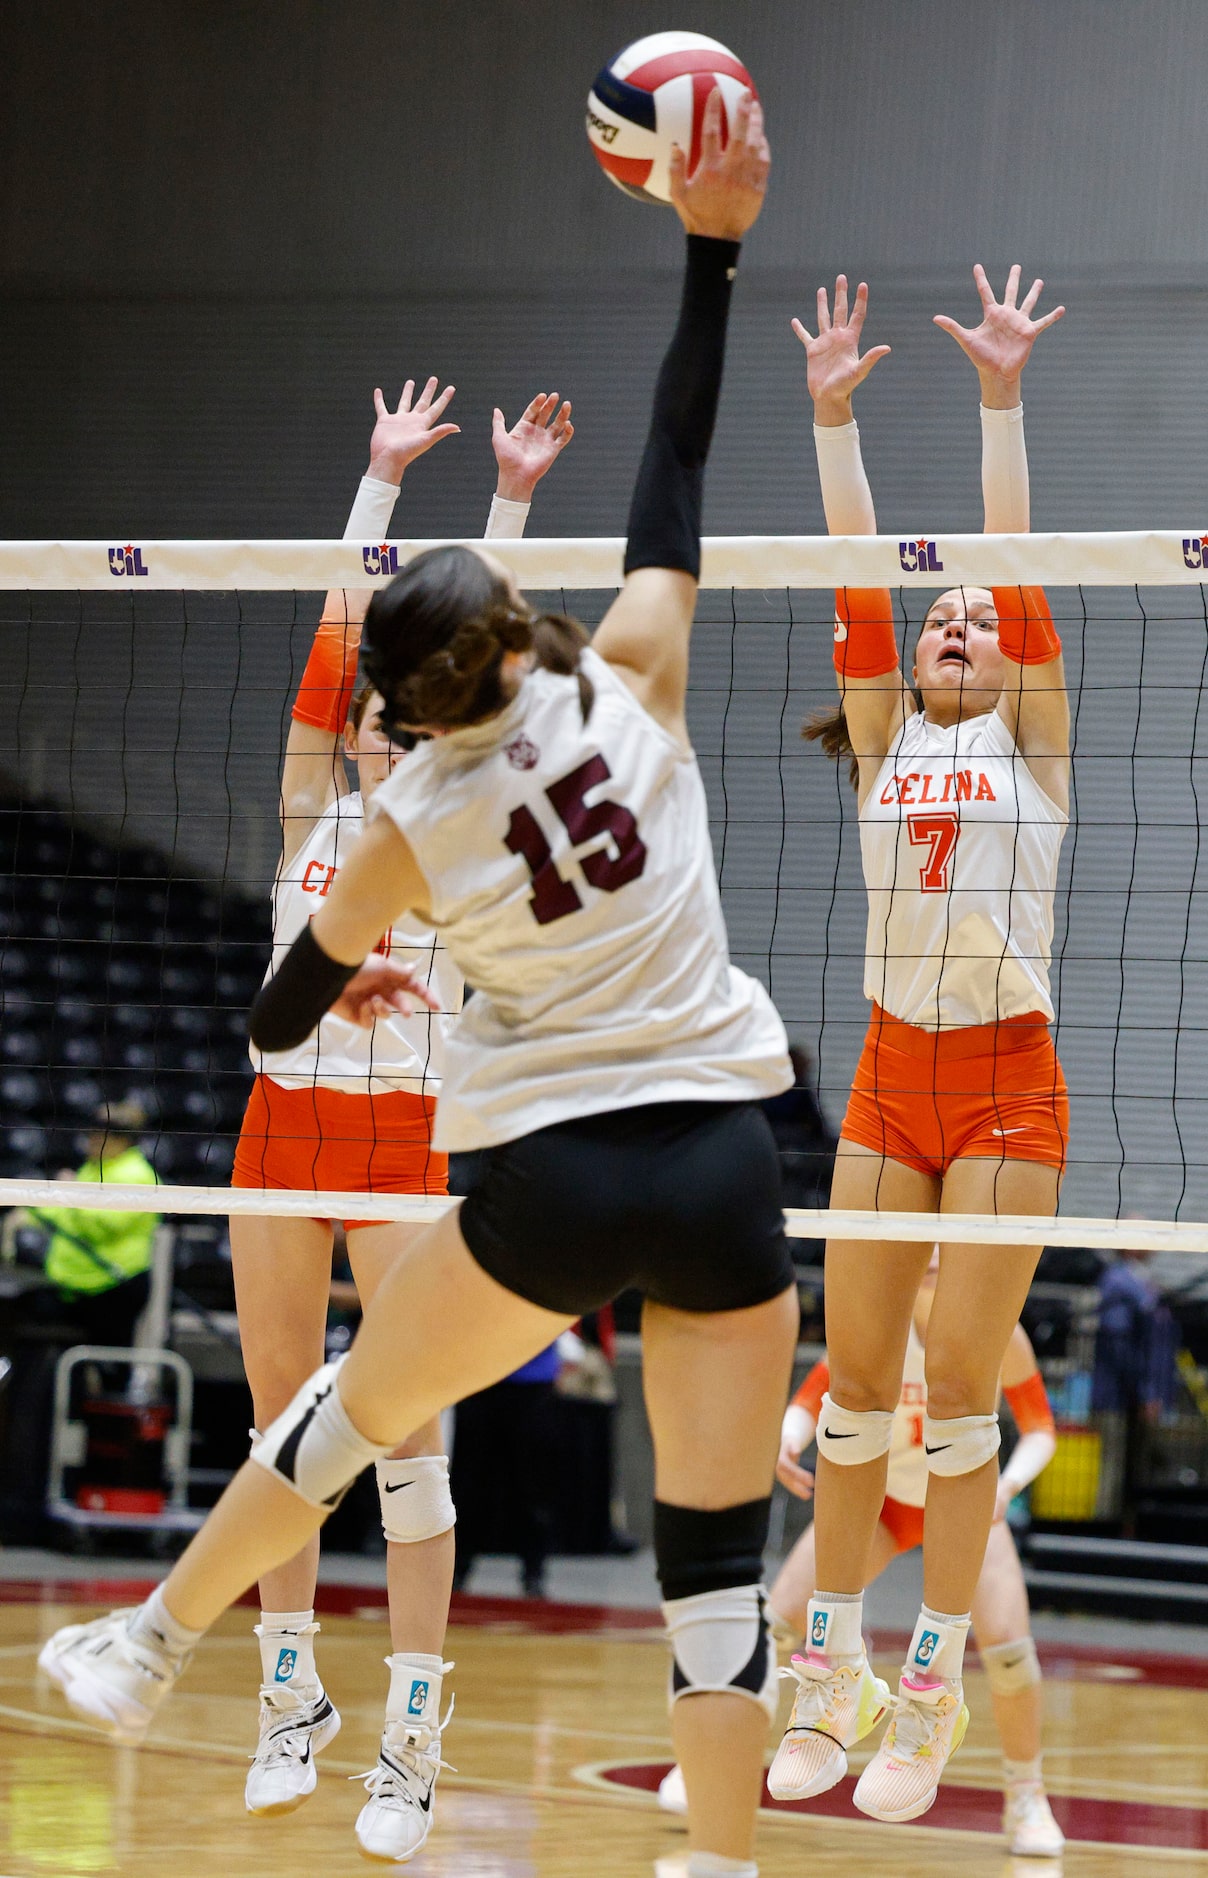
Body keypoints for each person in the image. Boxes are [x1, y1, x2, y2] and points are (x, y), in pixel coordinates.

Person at [41, 92, 799, 1878]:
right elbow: (674, 465)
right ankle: (715, 1856)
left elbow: (282, 1009)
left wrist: (382, 953)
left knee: (352, 1417)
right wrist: (710, 247)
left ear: (405, 701)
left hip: (548, 1173)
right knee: (708, 1570)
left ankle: (157, 1636)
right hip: (718, 1162)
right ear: (515, 631)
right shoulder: (629, 671)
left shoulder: (403, 814)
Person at [227, 379, 572, 1860]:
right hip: (278, 1134)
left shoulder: (459, 819)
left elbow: (490, 660)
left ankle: (413, 1739)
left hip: (399, 1149)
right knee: (281, 1432)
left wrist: (509, 505)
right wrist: (374, 483)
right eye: (363, 713)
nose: (370, 726)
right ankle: (289, 1696)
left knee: (410, 1454)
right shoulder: (317, 806)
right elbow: (332, 637)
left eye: (396, 713)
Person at [769, 265, 1070, 1823]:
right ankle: (830, 1671)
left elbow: (1010, 561)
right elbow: (854, 581)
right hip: (893, 1072)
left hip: (1011, 1082)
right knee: (851, 1394)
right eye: (935, 617)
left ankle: (934, 1688)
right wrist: (834, 422)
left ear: (1010, 659)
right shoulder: (886, 741)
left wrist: (997, 396)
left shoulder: (1034, 747)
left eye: (973, 619)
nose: (953, 624)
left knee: (961, 1396)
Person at [764, 1255, 1064, 1856]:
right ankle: (711, 1763)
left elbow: (1041, 1430)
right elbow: (814, 1395)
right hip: (883, 1507)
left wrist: (1007, 1486)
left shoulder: (997, 1330)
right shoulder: (880, 1321)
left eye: (939, 1242)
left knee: (1009, 1654)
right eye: (919, 1240)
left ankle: (1026, 1796)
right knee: (773, 1623)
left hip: (967, 1508)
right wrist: (788, 1439)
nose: (928, 1255)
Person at [3, 1097, 159, 1333]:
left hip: (114, 1286)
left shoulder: (136, 1175)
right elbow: (64, 1211)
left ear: (122, 1140)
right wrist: (30, 1213)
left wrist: (73, 1192)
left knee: (110, 1362)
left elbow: (102, 1224)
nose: (90, 1141)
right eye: (92, 1134)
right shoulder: (93, 1167)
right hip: (79, 1282)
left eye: (98, 1135)